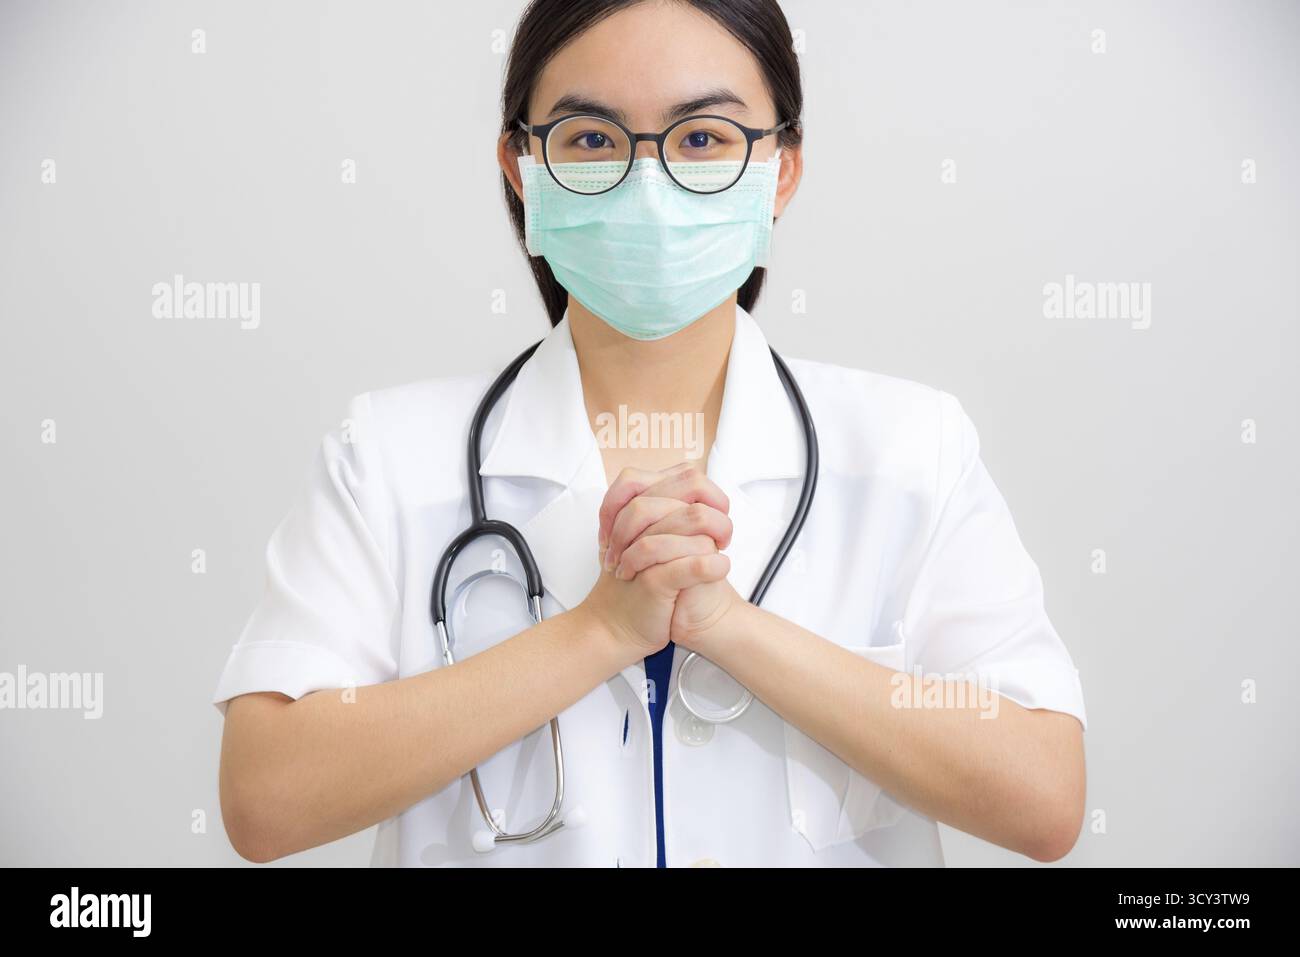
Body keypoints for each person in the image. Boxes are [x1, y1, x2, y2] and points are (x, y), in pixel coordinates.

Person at [214, 0, 1087, 868]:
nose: (649, 182)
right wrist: (596, 632)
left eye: (702, 137)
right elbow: (265, 798)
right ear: (523, 167)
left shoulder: (908, 450)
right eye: (591, 139)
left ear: (781, 168)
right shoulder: (391, 459)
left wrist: (730, 628)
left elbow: (1043, 798)